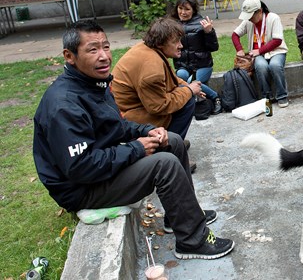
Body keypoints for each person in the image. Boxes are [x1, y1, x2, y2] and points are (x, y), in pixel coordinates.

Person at [32, 20, 235, 260]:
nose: (104, 56)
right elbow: (80, 167)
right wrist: (136, 149)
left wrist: (147, 130)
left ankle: (180, 217)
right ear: (70, 56)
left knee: (172, 141)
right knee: (164, 164)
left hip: (98, 172)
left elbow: (117, 125)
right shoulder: (64, 104)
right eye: (92, 49)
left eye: (106, 47)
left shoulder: (94, 85)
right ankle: (192, 241)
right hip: (82, 189)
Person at [112, 17, 203, 142]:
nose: (180, 45)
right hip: (128, 119)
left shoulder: (149, 49)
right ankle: (169, 146)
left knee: (185, 93)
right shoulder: (152, 68)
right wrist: (189, 91)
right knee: (188, 102)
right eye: (175, 42)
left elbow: (171, 79)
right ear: (160, 43)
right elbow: (159, 106)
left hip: (129, 110)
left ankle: (173, 141)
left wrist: (189, 87)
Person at [232, 0, 290, 107]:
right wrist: (239, 49)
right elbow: (235, 35)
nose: (249, 19)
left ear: (259, 11)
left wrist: (259, 50)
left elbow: (277, 40)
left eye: (251, 16)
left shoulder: (273, 18)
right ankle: (266, 96)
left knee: (275, 65)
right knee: (261, 66)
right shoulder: (248, 22)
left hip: (276, 51)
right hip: (257, 54)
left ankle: (282, 96)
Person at [170, 0, 222, 115]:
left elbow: (214, 47)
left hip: (202, 65)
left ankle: (216, 97)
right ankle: (187, 106)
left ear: (193, 10)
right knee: (181, 77)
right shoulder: (172, 24)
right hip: (183, 65)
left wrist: (209, 32)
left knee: (192, 82)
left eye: (187, 9)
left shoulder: (202, 23)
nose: (183, 12)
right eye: (180, 8)